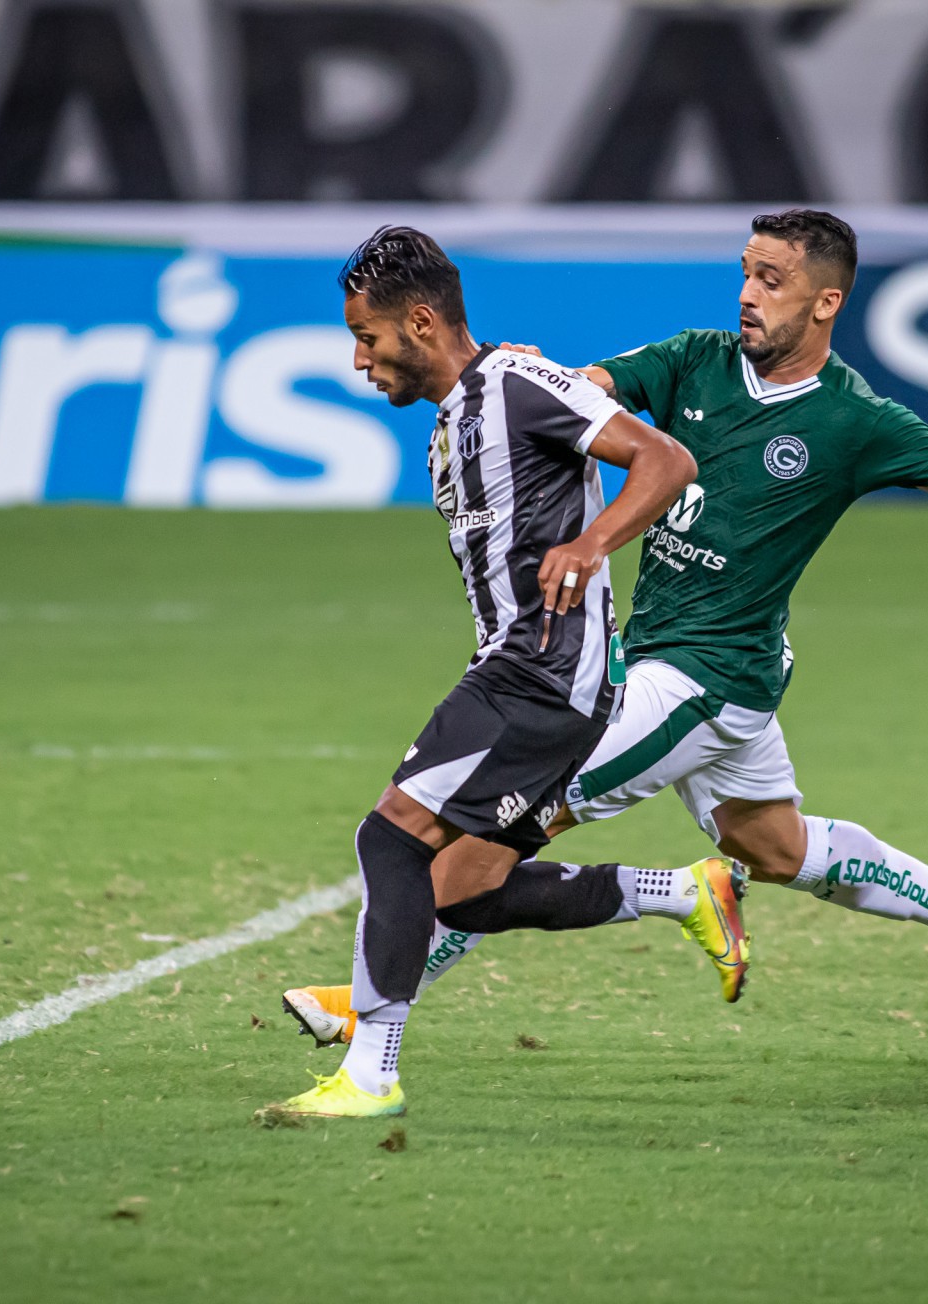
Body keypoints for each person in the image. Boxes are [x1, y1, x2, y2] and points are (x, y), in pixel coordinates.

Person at [281, 209, 928, 1050]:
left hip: (703, 678)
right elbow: (588, 394)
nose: (747, 294)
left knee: (482, 846)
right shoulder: (696, 360)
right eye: (746, 273)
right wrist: (525, 378)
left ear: (825, 302)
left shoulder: (854, 419)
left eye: (770, 280)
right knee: (776, 847)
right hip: (686, 667)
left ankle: (367, 1008)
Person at [266, 226, 739, 1121]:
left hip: (540, 674)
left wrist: (594, 542)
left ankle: (370, 1075)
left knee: (392, 838)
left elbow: (667, 461)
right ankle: (679, 892)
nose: (360, 360)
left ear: (419, 322)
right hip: (538, 676)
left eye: (368, 338)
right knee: (473, 889)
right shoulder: (458, 418)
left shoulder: (516, 385)